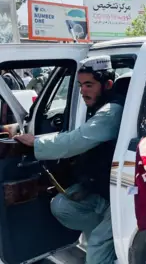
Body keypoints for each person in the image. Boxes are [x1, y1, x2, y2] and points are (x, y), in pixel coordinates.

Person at [13, 56, 124, 264]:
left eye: (89, 85)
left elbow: (75, 141)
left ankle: (105, 240)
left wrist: (35, 142)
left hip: (120, 193)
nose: (83, 91)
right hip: (103, 189)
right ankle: (106, 233)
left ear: (108, 85)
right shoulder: (100, 106)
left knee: (98, 248)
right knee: (62, 206)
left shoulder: (112, 111)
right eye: (81, 85)